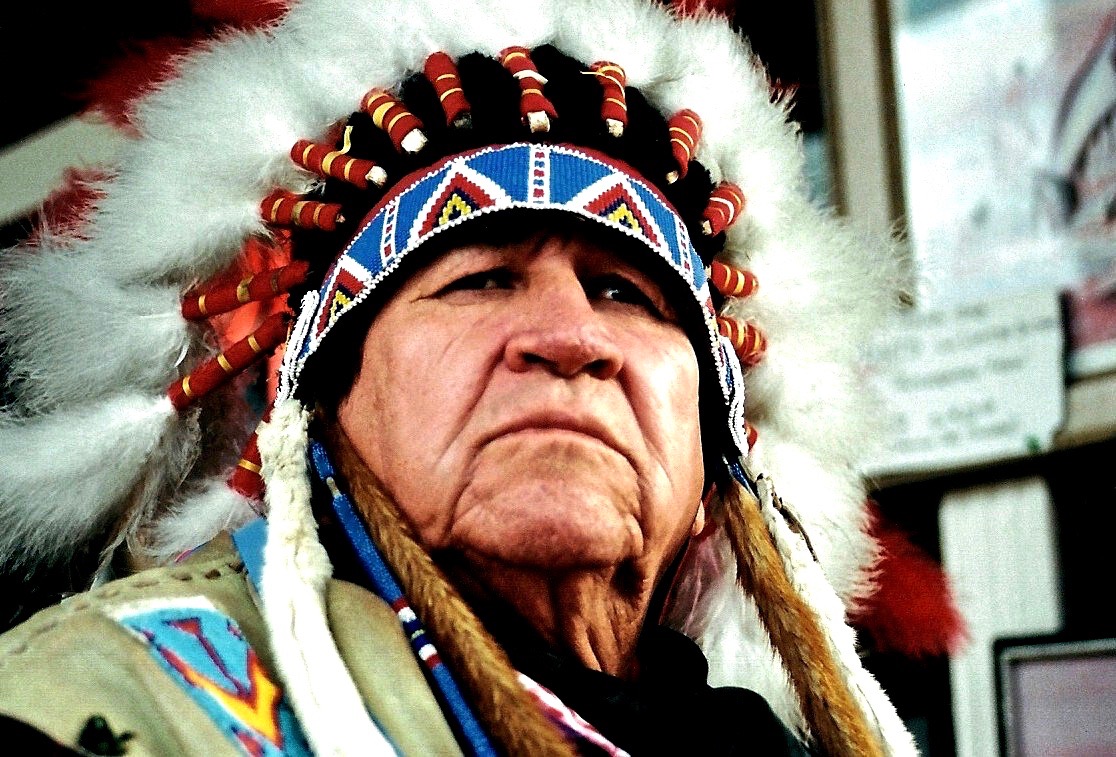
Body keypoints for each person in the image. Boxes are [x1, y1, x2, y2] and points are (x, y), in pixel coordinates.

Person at [0, 0, 920, 754]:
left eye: (627, 293)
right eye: (480, 280)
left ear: (718, 448)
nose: (571, 336)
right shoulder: (104, 706)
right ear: (322, 409)